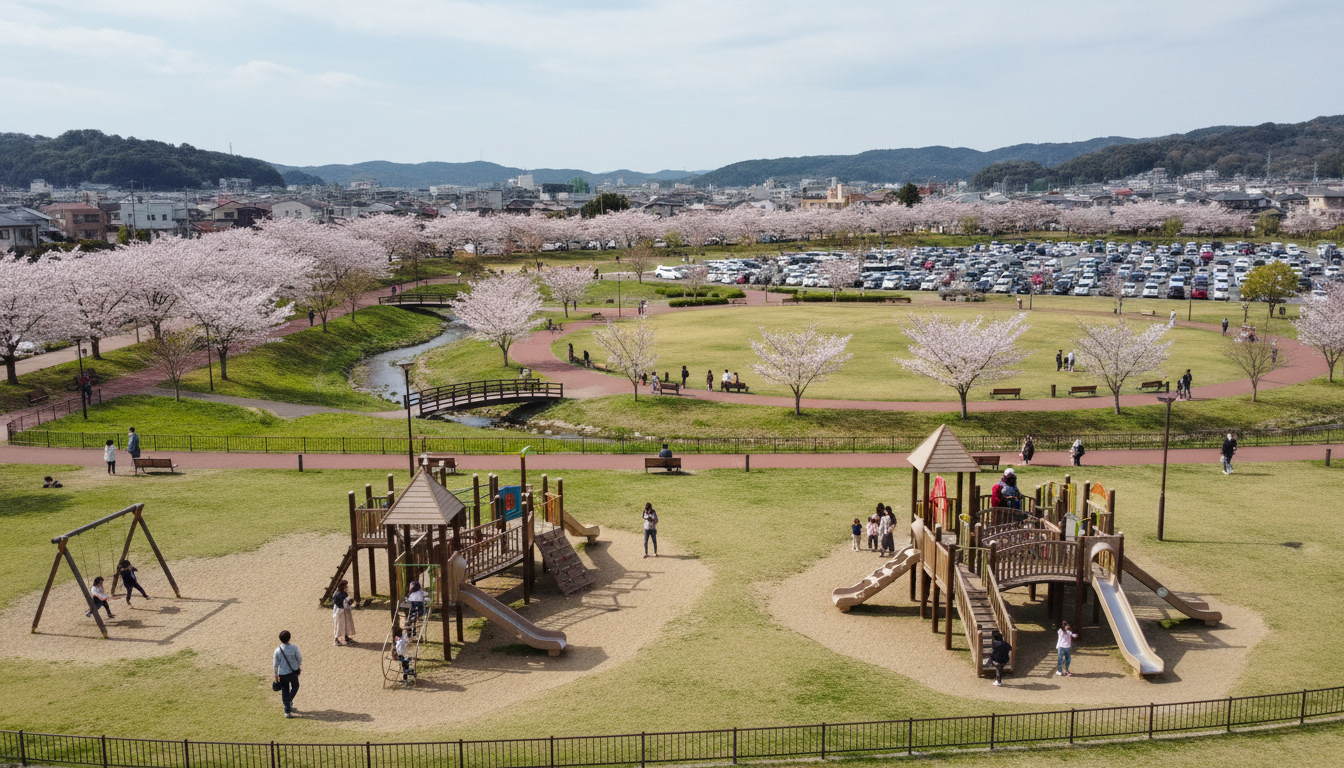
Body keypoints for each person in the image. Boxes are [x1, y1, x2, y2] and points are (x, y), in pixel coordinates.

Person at [273, 630, 302, 717]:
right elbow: (299, 659)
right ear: (289, 638)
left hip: (282, 673)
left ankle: (287, 710)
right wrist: (298, 667)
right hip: (293, 672)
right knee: (295, 686)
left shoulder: (277, 650)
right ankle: (288, 703)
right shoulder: (294, 648)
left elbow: (275, 665)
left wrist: (276, 676)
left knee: (285, 690)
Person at [332, 579, 356, 646]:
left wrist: (349, 602)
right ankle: (336, 639)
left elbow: (346, 601)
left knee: (346, 624)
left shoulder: (345, 593)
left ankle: (346, 637)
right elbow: (336, 603)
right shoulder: (337, 594)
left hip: (345, 612)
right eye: (345, 586)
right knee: (339, 625)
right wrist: (343, 605)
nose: (346, 587)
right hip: (339, 612)